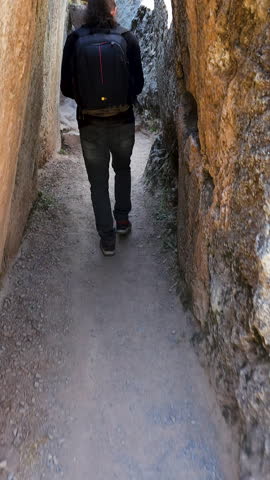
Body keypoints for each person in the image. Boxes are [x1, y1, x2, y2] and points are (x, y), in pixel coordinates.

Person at [61, 0, 144, 256]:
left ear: (87, 12)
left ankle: (107, 239)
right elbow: (138, 83)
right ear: (114, 10)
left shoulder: (75, 40)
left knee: (97, 182)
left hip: (90, 122)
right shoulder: (127, 38)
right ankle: (122, 220)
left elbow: (66, 87)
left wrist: (89, 99)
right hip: (122, 119)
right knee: (122, 168)